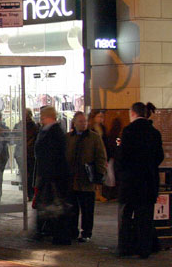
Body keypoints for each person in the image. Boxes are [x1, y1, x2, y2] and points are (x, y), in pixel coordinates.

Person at [116, 102, 165, 258]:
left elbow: (122, 158)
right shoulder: (154, 133)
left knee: (126, 215)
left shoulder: (128, 131)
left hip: (130, 182)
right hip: (148, 181)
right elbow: (160, 156)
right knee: (145, 217)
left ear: (132, 113)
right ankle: (144, 249)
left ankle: (125, 248)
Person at [32, 105, 72, 245]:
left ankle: (56, 234)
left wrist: (48, 175)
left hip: (54, 176)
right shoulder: (47, 130)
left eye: (42, 115)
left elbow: (53, 155)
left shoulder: (54, 132)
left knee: (54, 205)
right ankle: (45, 231)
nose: (40, 118)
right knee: (49, 204)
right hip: (48, 174)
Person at [66, 111, 107, 242]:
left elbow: (101, 156)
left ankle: (86, 232)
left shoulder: (94, 138)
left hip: (87, 180)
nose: (83, 124)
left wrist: (99, 174)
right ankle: (72, 230)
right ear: (74, 122)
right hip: (72, 179)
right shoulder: (68, 137)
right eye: (80, 121)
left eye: (84, 121)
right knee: (72, 208)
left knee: (87, 209)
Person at [14, 109, 38, 199]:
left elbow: (15, 137)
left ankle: (28, 192)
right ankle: (29, 193)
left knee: (25, 174)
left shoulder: (22, 125)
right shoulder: (34, 126)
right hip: (28, 153)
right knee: (29, 174)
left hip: (25, 153)